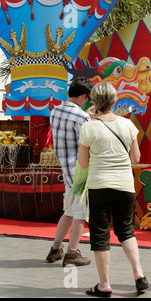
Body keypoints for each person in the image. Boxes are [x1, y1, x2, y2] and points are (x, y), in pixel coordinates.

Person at [77, 81, 148, 297]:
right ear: (115, 100)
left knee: (100, 235)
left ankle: (104, 284)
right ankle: (139, 275)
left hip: (99, 185)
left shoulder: (88, 127)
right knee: (126, 229)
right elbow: (136, 158)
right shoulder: (127, 125)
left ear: (95, 102)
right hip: (125, 185)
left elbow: (83, 163)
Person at [46, 77, 93, 267]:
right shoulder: (82, 117)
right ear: (83, 96)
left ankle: (56, 249)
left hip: (66, 171)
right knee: (80, 215)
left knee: (69, 212)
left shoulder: (55, 110)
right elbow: (88, 144)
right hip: (80, 172)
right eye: (88, 98)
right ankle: (72, 253)